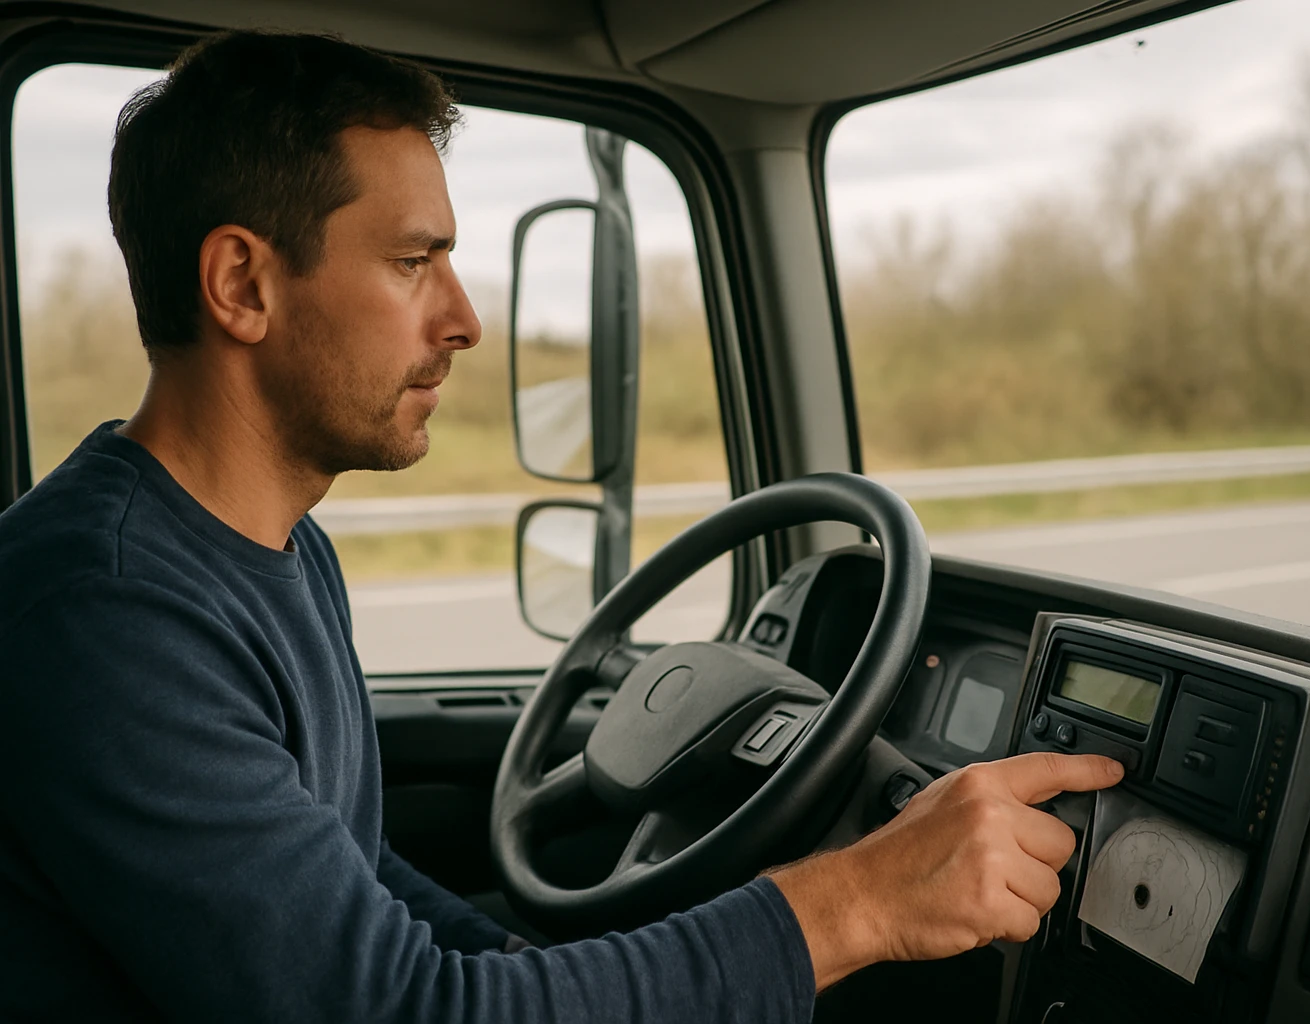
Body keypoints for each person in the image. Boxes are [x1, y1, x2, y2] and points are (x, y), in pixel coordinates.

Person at [0, 30, 1124, 1023]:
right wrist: (863, 898)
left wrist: (541, 968)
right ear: (242, 283)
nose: (465, 318)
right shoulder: (102, 614)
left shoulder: (276, 548)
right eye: (411, 261)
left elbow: (351, 870)